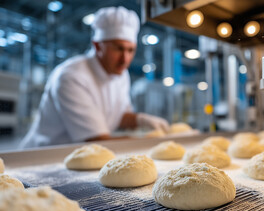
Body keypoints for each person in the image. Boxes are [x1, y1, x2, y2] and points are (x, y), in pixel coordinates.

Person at [20, 6, 169, 148]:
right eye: (119, 48)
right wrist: (148, 141)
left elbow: (118, 115)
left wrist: (141, 119)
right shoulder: (72, 76)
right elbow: (96, 140)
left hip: (76, 155)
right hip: (44, 158)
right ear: (97, 46)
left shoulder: (121, 74)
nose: (125, 59)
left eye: (131, 50)